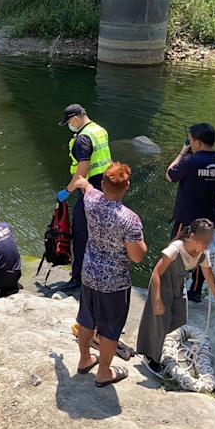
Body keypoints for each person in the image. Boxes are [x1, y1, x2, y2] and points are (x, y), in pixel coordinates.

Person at [71, 162, 147, 387]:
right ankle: (104, 372)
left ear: (103, 184)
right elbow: (137, 256)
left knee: (86, 320)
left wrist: (79, 181)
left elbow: (85, 185)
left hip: (89, 273)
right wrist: (142, 243)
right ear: (127, 186)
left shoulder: (91, 201)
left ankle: (85, 360)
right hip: (114, 282)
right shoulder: (130, 219)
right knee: (110, 330)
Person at [136, 218, 215, 376]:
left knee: (179, 319)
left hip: (178, 283)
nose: (206, 246)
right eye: (203, 242)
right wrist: (157, 300)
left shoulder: (203, 253)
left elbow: (208, 275)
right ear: (192, 236)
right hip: (162, 284)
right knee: (160, 322)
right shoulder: (175, 249)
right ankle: (150, 357)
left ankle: (164, 347)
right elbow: (156, 273)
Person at [165, 123, 215, 303]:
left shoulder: (189, 161)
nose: (190, 143)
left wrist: (182, 152)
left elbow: (170, 175)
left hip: (185, 218)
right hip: (208, 219)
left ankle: (174, 289)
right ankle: (195, 292)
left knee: (176, 252)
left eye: (191, 140)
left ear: (198, 142)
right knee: (202, 254)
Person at [55, 104, 112, 292]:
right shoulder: (99, 130)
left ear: (76, 118)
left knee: (80, 234)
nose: (70, 126)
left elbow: (82, 170)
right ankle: (99, 271)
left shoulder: (82, 139)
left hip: (90, 189)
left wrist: (67, 191)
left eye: (69, 122)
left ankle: (78, 278)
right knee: (99, 232)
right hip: (106, 188)